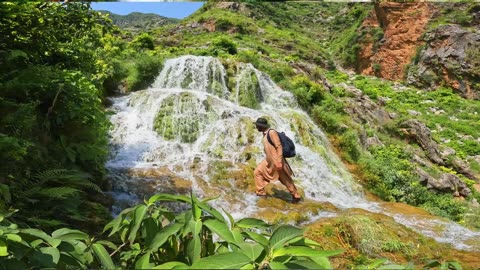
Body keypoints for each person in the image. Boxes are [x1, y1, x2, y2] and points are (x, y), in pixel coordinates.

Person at [253, 117, 301, 204]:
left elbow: (279, 146)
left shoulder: (271, 132)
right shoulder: (265, 134)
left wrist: (279, 161)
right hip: (269, 161)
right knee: (257, 172)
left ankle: (296, 195)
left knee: (285, 179)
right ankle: (261, 193)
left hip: (276, 160)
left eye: (257, 126)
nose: (256, 127)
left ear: (261, 126)